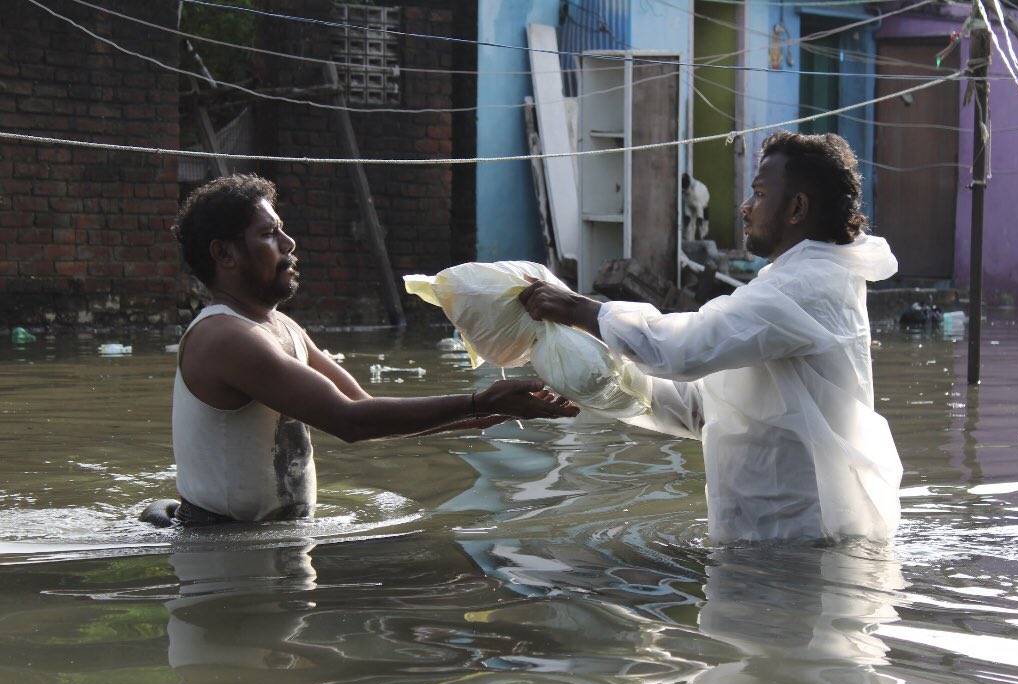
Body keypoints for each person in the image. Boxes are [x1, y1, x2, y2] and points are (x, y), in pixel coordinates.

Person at [519, 130, 903, 545]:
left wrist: (577, 310)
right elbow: (703, 408)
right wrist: (594, 378)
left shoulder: (807, 287)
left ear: (797, 208)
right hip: (770, 542)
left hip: (802, 545)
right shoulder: (799, 282)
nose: (746, 205)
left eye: (758, 193)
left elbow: (680, 350)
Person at [142, 174, 577, 527]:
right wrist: (478, 400)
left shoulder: (280, 327)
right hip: (219, 550)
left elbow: (363, 407)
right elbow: (349, 422)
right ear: (225, 254)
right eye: (269, 234)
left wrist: (481, 414)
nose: (289, 244)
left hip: (274, 540)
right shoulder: (224, 337)